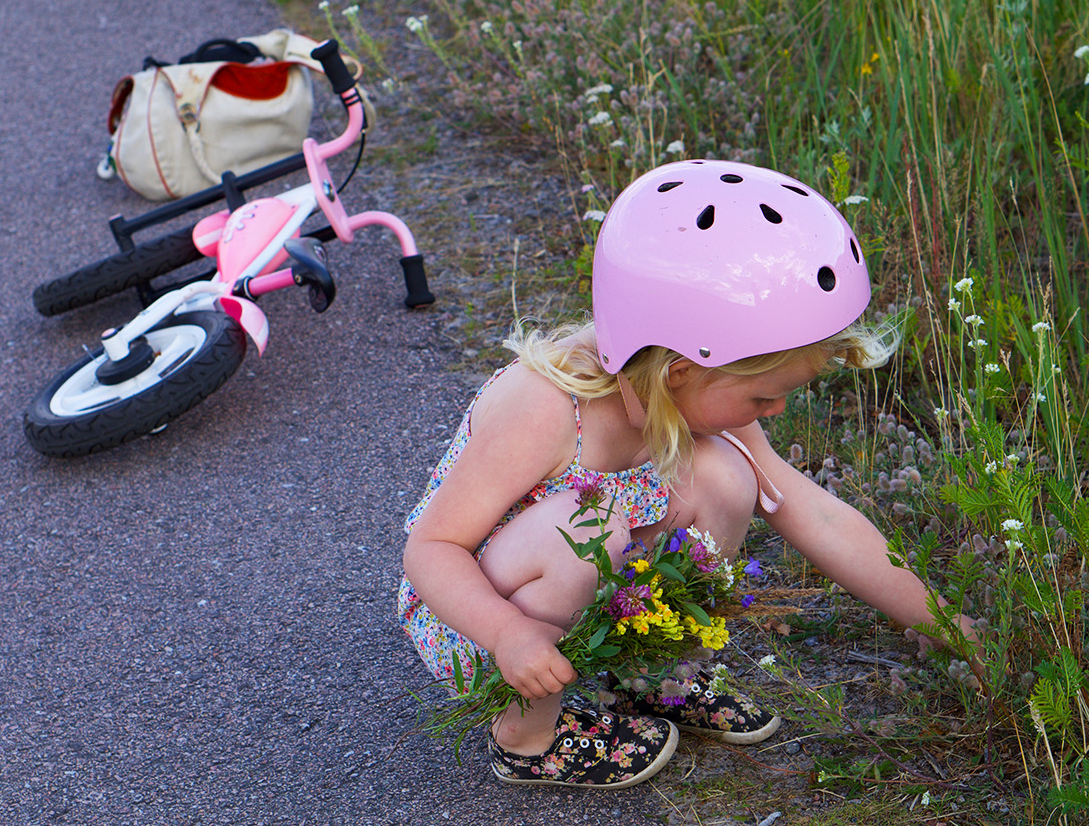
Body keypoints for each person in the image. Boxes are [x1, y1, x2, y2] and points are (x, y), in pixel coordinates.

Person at [400, 159, 981, 789]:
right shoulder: (544, 410)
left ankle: (652, 677)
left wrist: (939, 619)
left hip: (582, 597)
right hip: (477, 618)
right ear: (679, 370)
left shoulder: (687, 394)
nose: (776, 411)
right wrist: (507, 634)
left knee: (730, 476)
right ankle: (526, 737)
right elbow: (432, 549)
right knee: (587, 525)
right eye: (763, 397)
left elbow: (813, 513)